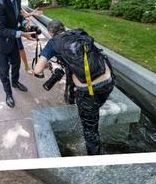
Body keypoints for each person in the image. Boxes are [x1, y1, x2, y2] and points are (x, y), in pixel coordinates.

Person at [32, 19, 116, 155]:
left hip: (89, 92)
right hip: (109, 81)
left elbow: (37, 70)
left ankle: (97, 162)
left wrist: (48, 65)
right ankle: (86, 109)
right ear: (64, 28)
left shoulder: (53, 42)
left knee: (90, 131)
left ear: (51, 32)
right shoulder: (78, 33)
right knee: (93, 108)